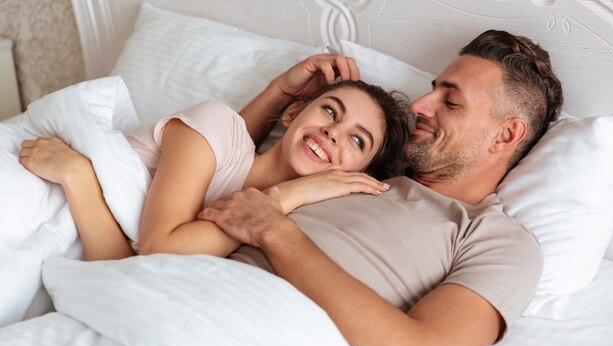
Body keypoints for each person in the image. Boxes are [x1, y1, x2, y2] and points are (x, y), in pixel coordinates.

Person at [198, 30, 564, 346]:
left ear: (506, 135)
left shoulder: (498, 241)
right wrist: (280, 93)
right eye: (432, 89)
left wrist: (273, 230)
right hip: (183, 290)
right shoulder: (349, 168)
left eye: (450, 102)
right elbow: (227, 167)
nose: (420, 105)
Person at [18, 80, 410, 261]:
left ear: (357, 176)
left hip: (68, 212)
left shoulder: (283, 234)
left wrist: (79, 178)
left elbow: (125, 270)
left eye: (358, 141)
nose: (333, 132)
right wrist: (285, 196)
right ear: (293, 113)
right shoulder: (217, 127)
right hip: (31, 186)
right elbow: (159, 249)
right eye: (329, 110)